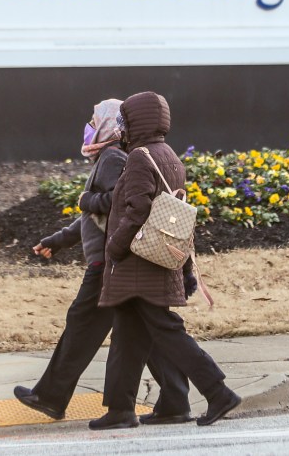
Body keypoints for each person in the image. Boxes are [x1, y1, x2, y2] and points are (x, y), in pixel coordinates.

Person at [14, 98, 193, 425]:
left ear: (109, 124)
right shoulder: (114, 157)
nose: (89, 126)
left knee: (82, 326)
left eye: (94, 120)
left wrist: (87, 199)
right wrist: (57, 241)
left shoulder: (112, 158)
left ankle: (51, 397)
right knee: (145, 332)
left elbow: (118, 204)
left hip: (108, 264)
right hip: (112, 260)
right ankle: (175, 401)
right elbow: (92, 219)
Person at [90, 91, 241, 431]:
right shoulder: (169, 155)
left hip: (138, 262)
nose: (121, 126)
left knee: (169, 333)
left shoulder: (140, 157)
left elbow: (138, 209)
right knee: (128, 337)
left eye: (125, 119)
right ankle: (120, 409)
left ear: (137, 121)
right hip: (156, 261)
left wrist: (115, 247)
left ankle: (218, 392)